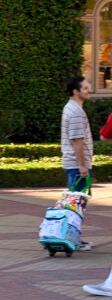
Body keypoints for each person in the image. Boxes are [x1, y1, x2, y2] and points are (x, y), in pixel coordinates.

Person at [61, 76, 93, 252]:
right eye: (86, 88)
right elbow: (77, 141)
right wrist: (82, 166)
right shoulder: (75, 112)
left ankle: (73, 238)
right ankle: (73, 239)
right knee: (75, 205)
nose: (89, 90)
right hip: (76, 166)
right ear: (76, 91)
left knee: (75, 204)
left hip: (74, 165)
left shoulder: (73, 109)